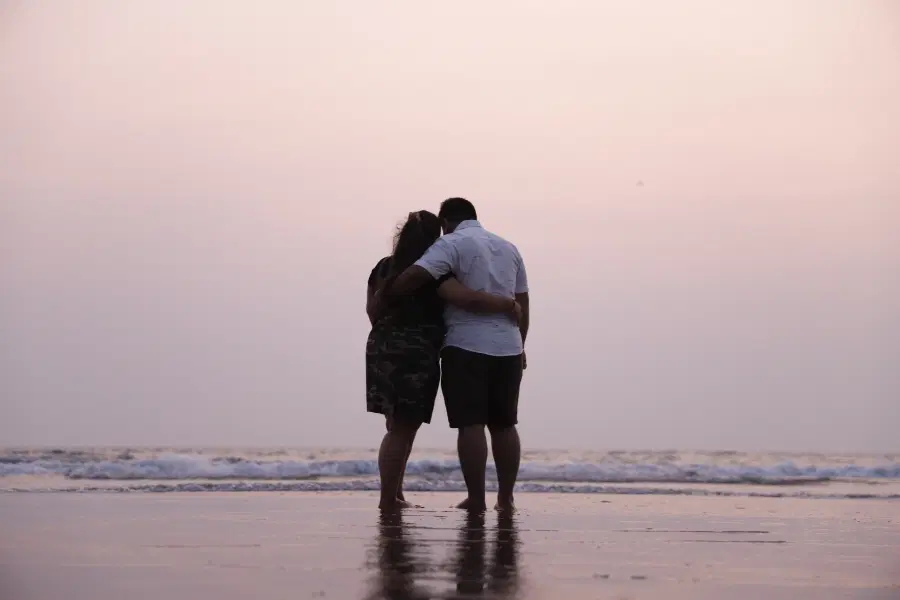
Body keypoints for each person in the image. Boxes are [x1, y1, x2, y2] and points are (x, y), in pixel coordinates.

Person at [366, 210, 521, 511]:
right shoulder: (433, 269)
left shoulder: (383, 267)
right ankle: (388, 500)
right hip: (418, 350)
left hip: (380, 346)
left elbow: (372, 309)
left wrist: (387, 337)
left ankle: (395, 495)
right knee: (403, 428)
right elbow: (464, 298)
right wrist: (507, 304)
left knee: (397, 425)